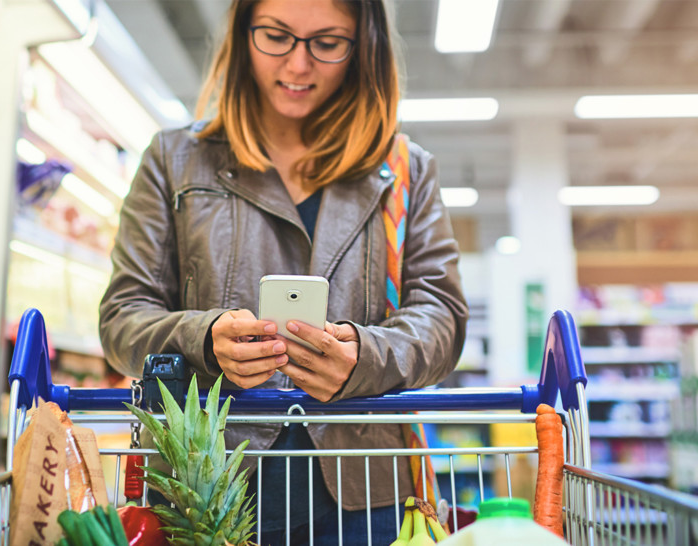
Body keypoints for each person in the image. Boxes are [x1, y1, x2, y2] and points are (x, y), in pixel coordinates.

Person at [99, 0, 468, 543]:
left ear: (363, 47)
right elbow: (122, 320)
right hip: (206, 490)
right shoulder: (174, 160)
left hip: (365, 488)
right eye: (275, 36)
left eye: (326, 42)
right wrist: (203, 340)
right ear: (242, 34)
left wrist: (364, 358)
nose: (297, 66)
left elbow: (444, 319)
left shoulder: (404, 170)